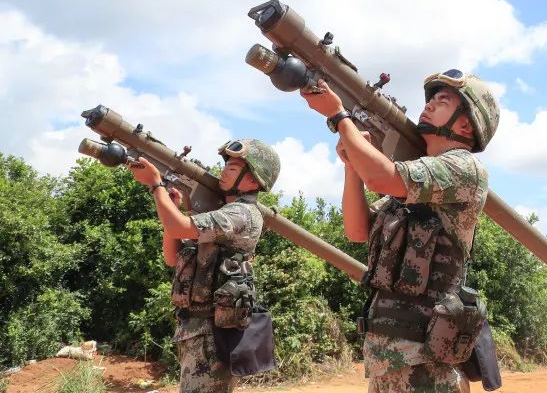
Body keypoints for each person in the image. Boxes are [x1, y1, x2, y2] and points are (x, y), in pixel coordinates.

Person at [301, 69, 499, 393]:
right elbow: (356, 229)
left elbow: (382, 177)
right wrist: (352, 165)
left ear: (466, 124)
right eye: (432, 99)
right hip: (386, 357)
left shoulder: (465, 169)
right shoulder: (409, 190)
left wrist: (339, 116)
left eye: (443, 100)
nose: (430, 104)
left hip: (423, 358)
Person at [128, 138, 280, 393]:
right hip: (196, 330)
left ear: (253, 180)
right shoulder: (224, 211)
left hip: (213, 334)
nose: (222, 172)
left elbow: (178, 226)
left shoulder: (241, 213)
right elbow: (172, 257)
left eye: (231, 169)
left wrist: (156, 186)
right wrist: (172, 207)